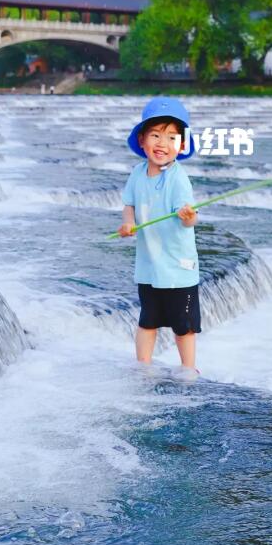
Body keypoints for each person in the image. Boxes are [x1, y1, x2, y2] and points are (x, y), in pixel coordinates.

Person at [118, 96, 200, 372]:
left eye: (171, 137)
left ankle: (189, 368)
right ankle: (143, 366)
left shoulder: (178, 178)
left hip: (179, 269)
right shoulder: (137, 174)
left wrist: (189, 217)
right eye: (155, 135)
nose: (162, 144)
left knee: (184, 324)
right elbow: (128, 205)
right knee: (147, 320)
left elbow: (189, 219)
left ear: (182, 145)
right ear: (142, 140)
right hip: (149, 268)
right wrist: (128, 223)